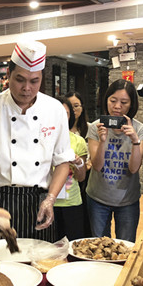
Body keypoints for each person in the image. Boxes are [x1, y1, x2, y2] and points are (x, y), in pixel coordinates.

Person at [0, 40, 75, 242]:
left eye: (34, 81)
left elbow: (62, 162)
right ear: (8, 75)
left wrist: (51, 199)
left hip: (39, 202)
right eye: (20, 80)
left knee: (38, 264)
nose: (26, 88)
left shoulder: (55, 109)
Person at [86, 79, 143, 242]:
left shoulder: (140, 129)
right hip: (98, 198)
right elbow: (97, 165)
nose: (117, 106)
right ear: (106, 100)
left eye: (124, 102)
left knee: (126, 247)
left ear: (131, 104)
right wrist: (103, 140)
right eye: (113, 101)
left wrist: (135, 139)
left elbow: (134, 168)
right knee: (98, 246)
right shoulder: (95, 127)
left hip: (127, 200)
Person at [53, 96, 88, 241]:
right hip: (46, 201)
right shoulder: (39, 139)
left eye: (65, 113)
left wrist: (78, 162)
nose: (60, 117)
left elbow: (81, 178)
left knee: (73, 246)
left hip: (71, 201)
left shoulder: (77, 141)